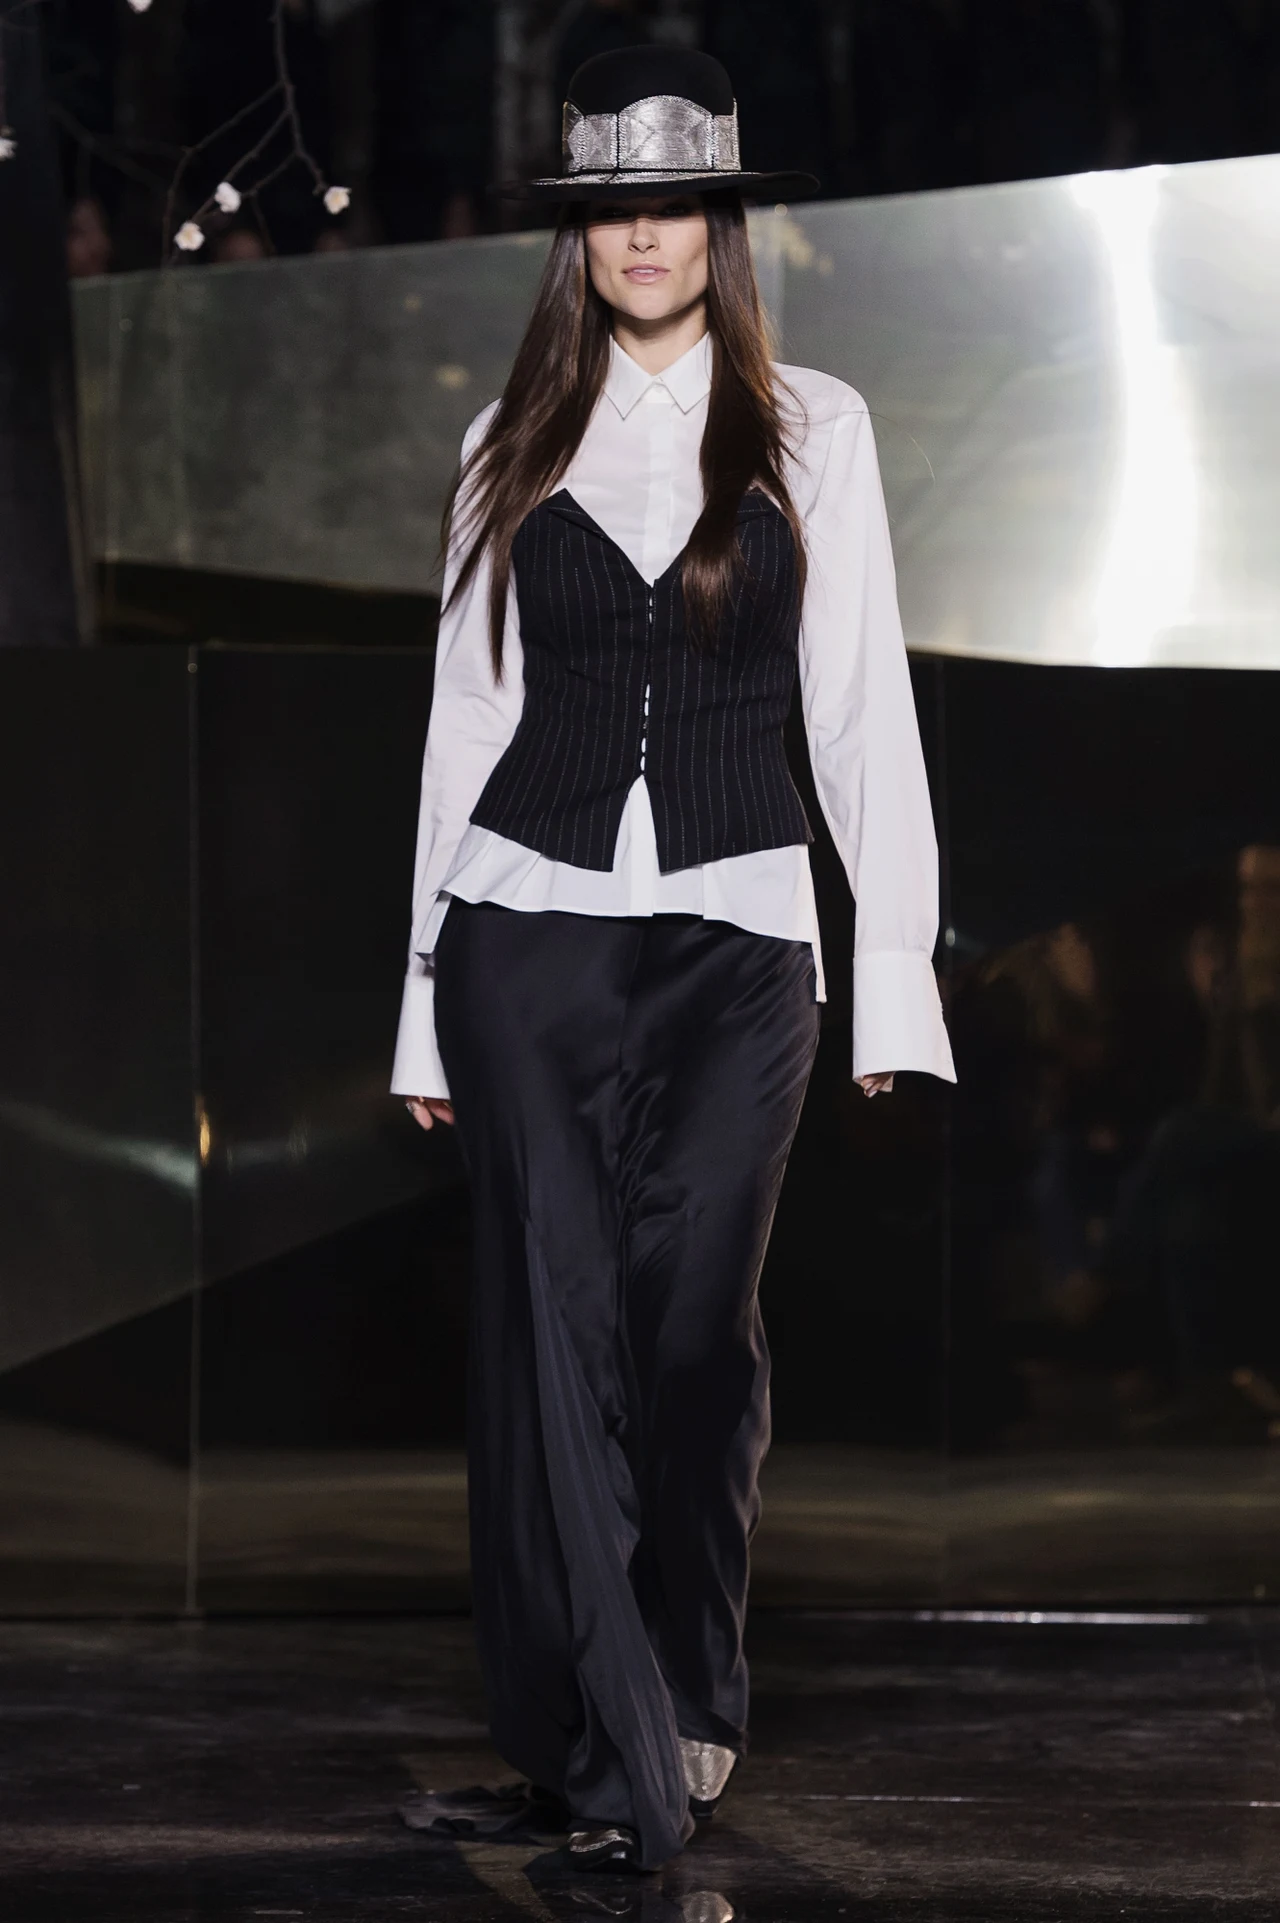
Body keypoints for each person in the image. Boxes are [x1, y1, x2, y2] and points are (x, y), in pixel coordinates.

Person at [390, 46, 955, 1876]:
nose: (643, 237)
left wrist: (892, 975)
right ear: (578, 238)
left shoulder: (814, 429)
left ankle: (689, 1687)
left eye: (675, 207)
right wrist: (417, 1010)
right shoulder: (508, 438)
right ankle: (598, 1733)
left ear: (723, 226)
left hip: (739, 938)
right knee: (553, 1336)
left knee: (696, 1329)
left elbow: (859, 710)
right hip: (525, 934)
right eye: (609, 211)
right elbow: (466, 722)